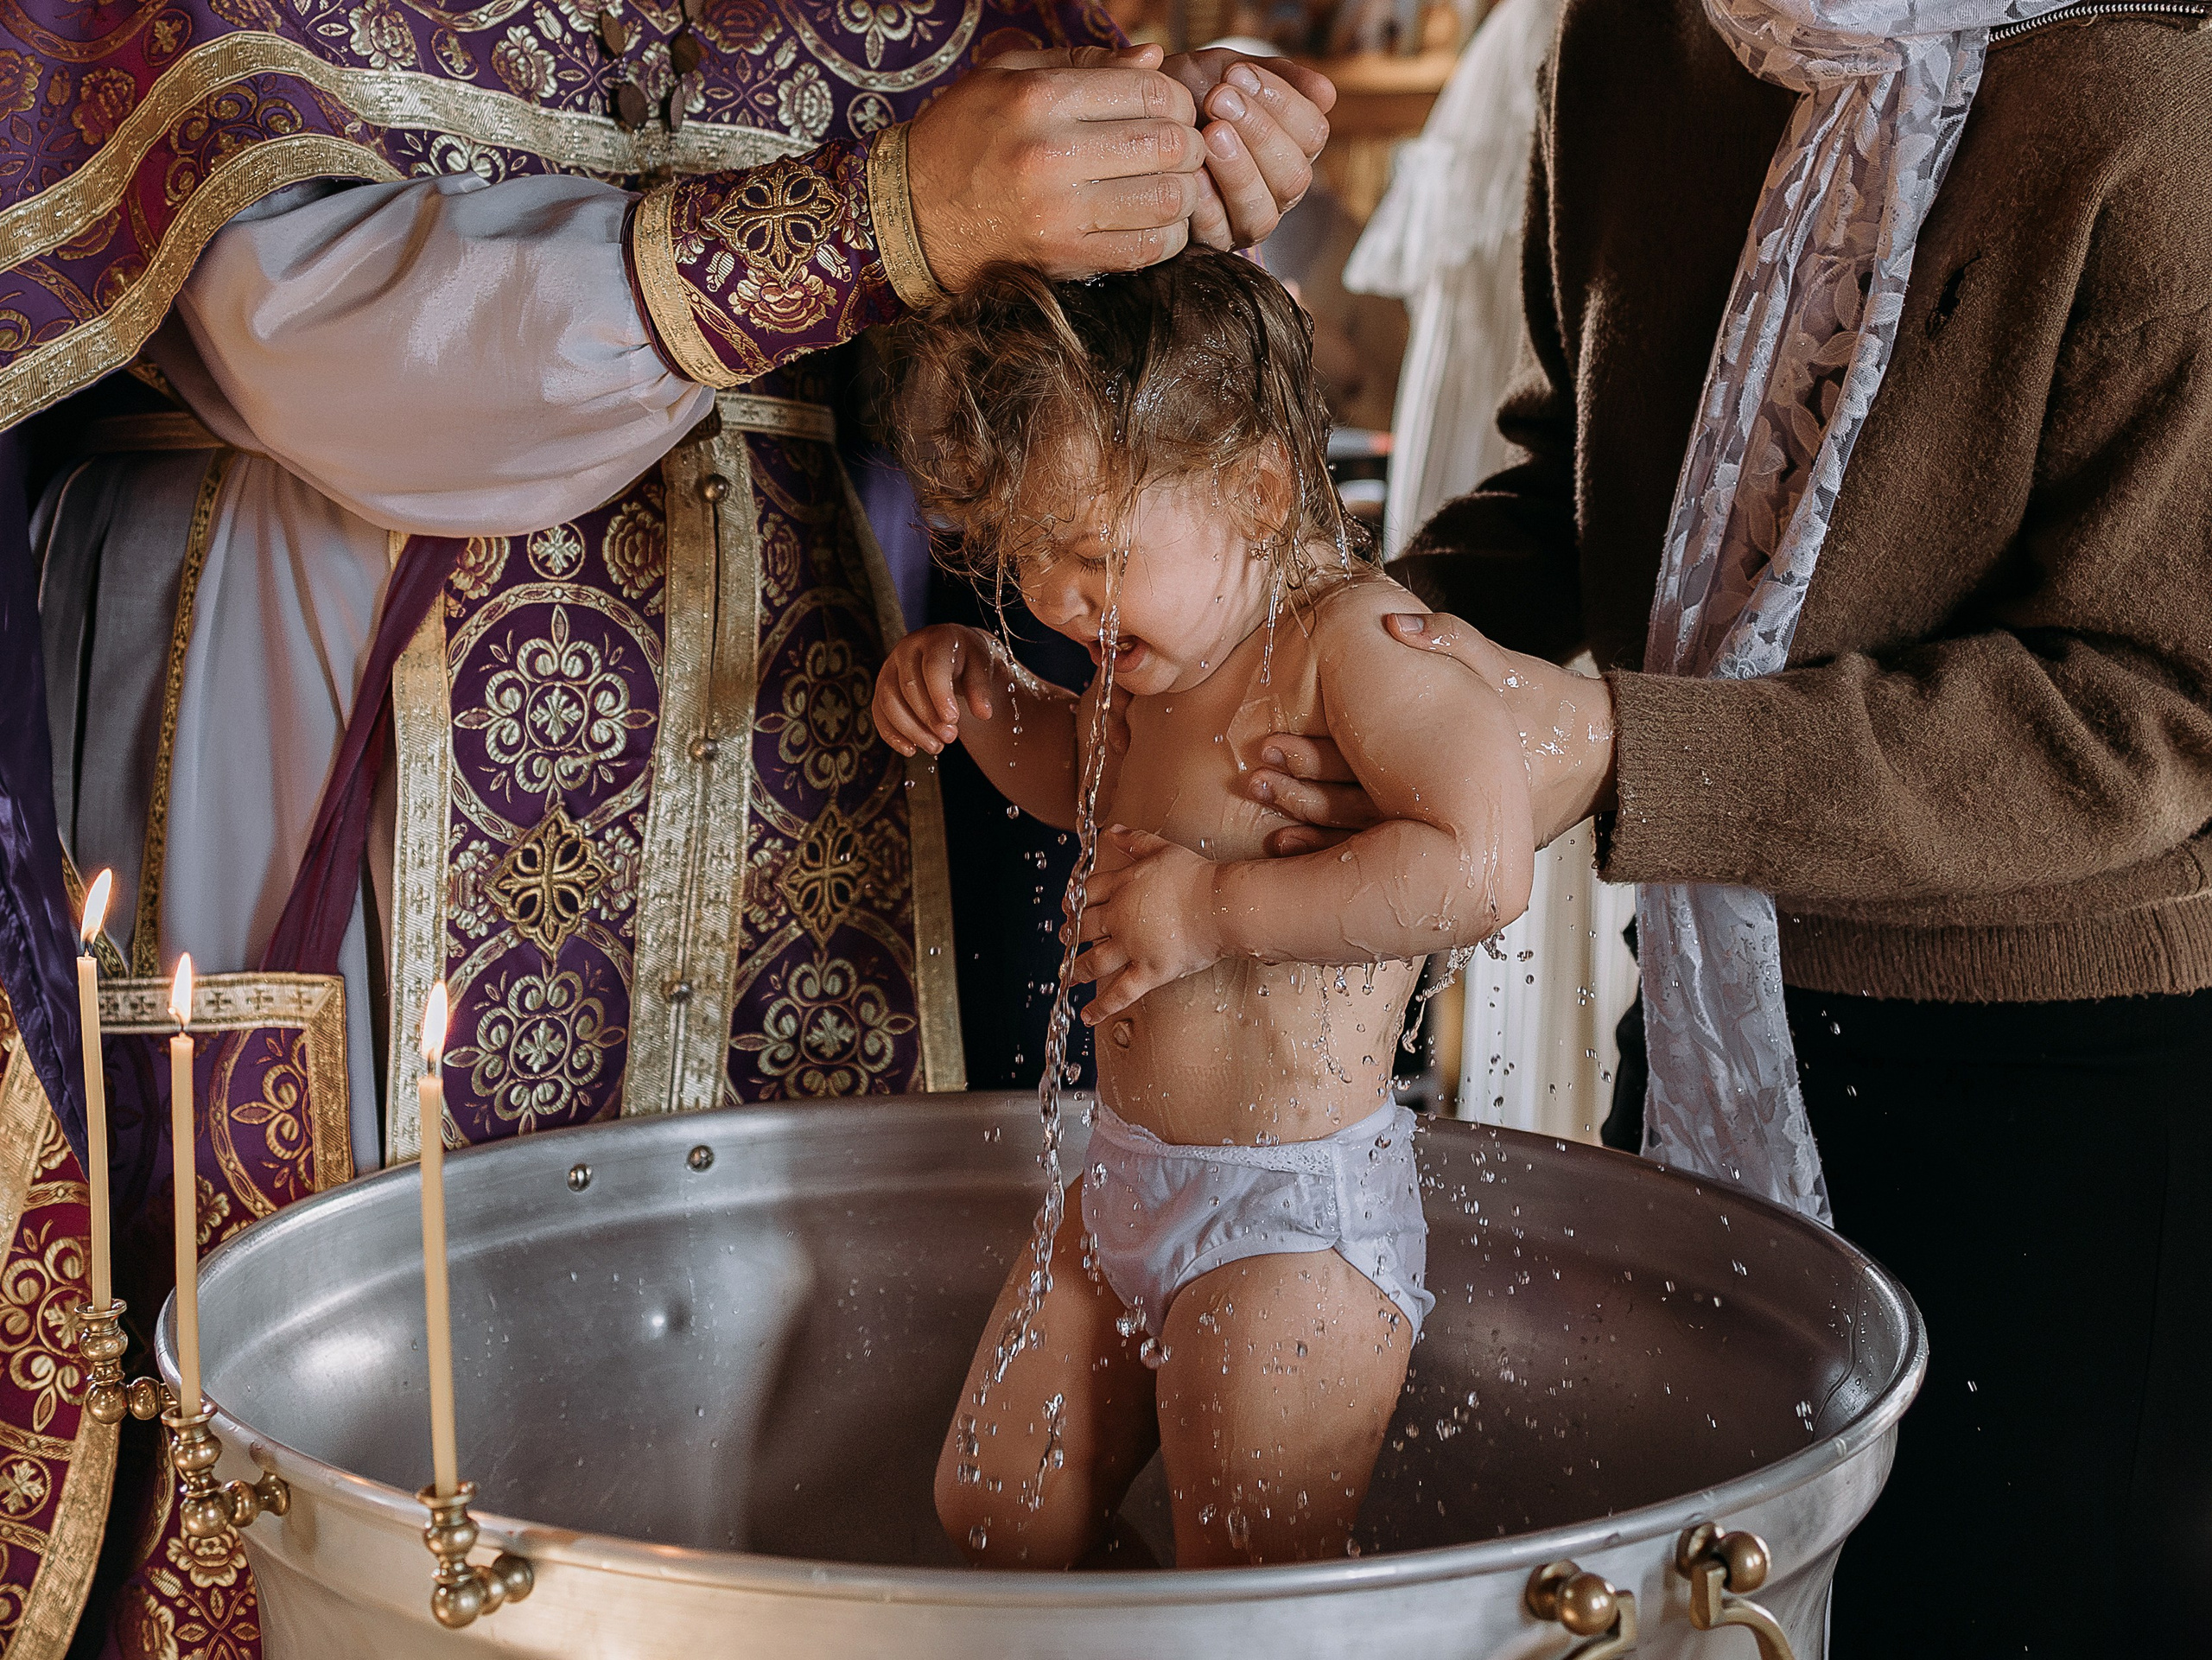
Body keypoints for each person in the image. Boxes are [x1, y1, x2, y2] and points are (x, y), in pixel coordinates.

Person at [0, 2, 1337, 1644]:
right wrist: (894, 209)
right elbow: (305, 323)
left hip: (816, 717)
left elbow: (1003, 344)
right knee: (334, 1455)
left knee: (811, 1420)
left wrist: (1130, 170)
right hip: (336, 668)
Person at [1245, 0, 2212, 1647]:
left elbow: (2150, 712)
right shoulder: (1634, 40)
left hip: (2063, 1081)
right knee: (1734, 1588)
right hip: (1714, 1004)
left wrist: (1625, 744)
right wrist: (1322, 648)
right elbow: (1587, 485)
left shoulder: (2154, 95)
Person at [870, 249, 1534, 1567]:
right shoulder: (1150, 657)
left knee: (1248, 1577)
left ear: (1259, 488)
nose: (1057, 598)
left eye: (1089, 553)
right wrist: (982, 690)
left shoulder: (1349, 643)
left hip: (1293, 1215)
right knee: (995, 1508)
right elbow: (1078, 772)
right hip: (1121, 1191)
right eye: (1025, 560)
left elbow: (1481, 861)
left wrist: (1219, 908)